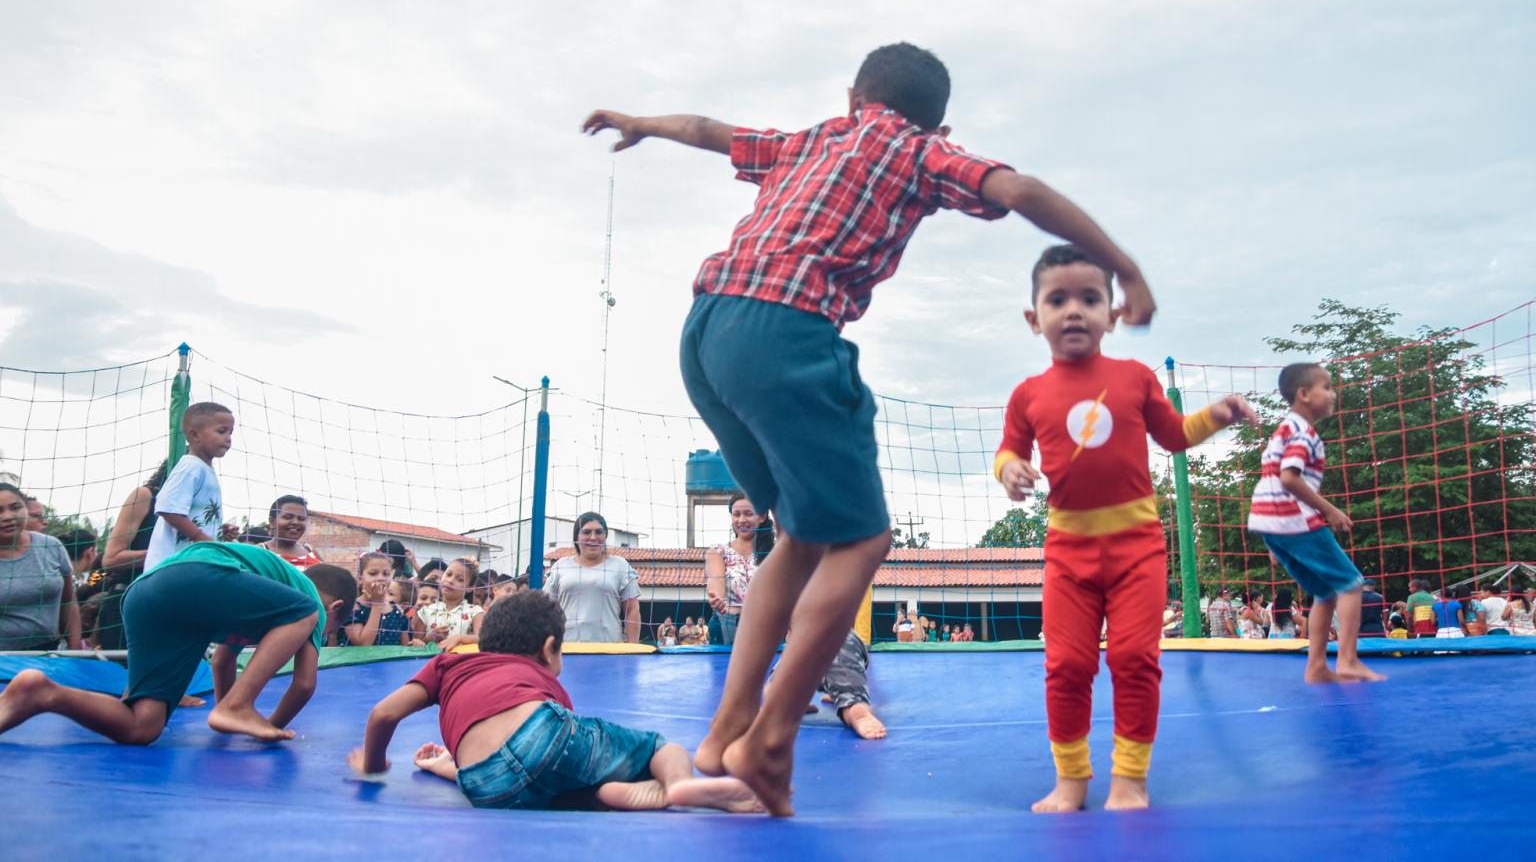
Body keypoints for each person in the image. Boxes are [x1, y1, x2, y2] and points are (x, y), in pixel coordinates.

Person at [586, 43, 1156, 816]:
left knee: (800, 538)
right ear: (941, 124)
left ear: (854, 97)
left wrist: (639, 123)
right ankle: (771, 739)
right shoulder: (923, 150)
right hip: (786, 336)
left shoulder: (817, 136)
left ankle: (722, 740)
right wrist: (1122, 266)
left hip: (706, 333)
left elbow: (710, 128)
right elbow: (1016, 188)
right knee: (863, 540)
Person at [992, 245, 1250, 812]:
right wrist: (1009, 469)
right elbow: (1010, 448)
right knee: (1067, 666)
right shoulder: (1028, 393)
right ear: (1035, 319)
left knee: (1134, 658)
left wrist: (1217, 415)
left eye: (1090, 298)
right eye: (1058, 300)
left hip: (1137, 550)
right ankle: (1071, 782)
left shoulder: (1133, 377)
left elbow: (1176, 434)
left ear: (1112, 314)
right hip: (1068, 554)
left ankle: (1130, 780)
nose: (1075, 311)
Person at [348, 590, 760, 812]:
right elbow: (534, 745)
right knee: (657, 746)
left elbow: (383, 713)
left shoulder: (446, 667)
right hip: (545, 736)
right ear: (549, 649)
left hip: (484, 784)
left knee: (536, 788)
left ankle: (606, 797)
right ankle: (680, 785)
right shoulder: (539, 680)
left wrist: (374, 763)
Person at [0, 540, 354, 745]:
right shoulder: (308, 600)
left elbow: (222, 661)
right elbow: (305, 682)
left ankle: (40, 692)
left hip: (148, 595)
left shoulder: (256, 604)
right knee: (303, 612)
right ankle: (237, 709)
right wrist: (268, 722)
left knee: (143, 725)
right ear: (335, 608)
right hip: (196, 576)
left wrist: (230, 710)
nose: (318, 636)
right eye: (329, 630)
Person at [1247, 363, 1385, 686]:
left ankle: (1317, 667)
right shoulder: (1303, 432)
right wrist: (1330, 510)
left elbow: (1273, 477)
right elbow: (1289, 477)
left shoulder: (1283, 429)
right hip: (1292, 518)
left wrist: (1274, 540)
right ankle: (1348, 660)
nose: (1332, 393)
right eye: (1326, 387)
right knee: (1351, 583)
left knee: (1324, 591)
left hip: (1270, 520)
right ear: (1304, 394)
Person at [144, 402, 233, 572]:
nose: (228, 438)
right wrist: (199, 536)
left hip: (193, 563)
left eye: (230, 432)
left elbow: (194, 514)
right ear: (194, 435)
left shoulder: (205, 469)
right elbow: (168, 508)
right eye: (221, 431)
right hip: (173, 565)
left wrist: (217, 530)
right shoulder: (191, 467)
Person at [97, 463, 170, 649]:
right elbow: (110, 559)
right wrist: (167, 553)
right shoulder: (145, 496)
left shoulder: (195, 510)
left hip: (171, 605)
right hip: (128, 602)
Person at [0, 485, 80, 651]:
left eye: (15, 507)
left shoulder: (51, 546)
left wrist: (75, 649)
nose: (7, 516)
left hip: (48, 653)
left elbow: (68, 601)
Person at [543, 513, 641, 643]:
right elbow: (545, 609)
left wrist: (632, 646)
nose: (593, 537)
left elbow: (632, 609)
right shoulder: (560, 566)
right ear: (576, 537)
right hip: (567, 648)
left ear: (605, 536)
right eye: (586, 532)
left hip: (610, 648)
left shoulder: (620, 565)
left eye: (599, 532)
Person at [706, 496, 768, 648]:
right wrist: (717, 598)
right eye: (736, 514)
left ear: (762, 516)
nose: (741, 520)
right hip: (727, 624)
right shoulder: (717, 551)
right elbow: (716, 580)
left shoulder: (776, 551)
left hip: (767, 624)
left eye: (748, 513)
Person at [342, 550, 412, 646]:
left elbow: (405, 647)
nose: (381, 578)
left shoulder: (395, 609)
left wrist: (415, 644)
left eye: (386, 574)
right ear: (360, 578)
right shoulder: (353, 607)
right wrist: (377, 604)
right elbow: (363, 644)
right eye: (373, 573)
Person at [416, 559, 482, 649]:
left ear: (470, 588)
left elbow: (482, 638)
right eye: (448, 574)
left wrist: (459, 638)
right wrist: (431, 637)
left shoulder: (475, 612)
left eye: (460, 579)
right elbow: (416, 644)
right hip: (429, 661)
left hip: (460, 661)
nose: (450, 581)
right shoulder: (426, 611)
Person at [264, 494, 321, 569]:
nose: (295, 522)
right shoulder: (259, 552)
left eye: (301, 518)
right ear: (272, 522)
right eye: (288, 517)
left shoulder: (310, 551)